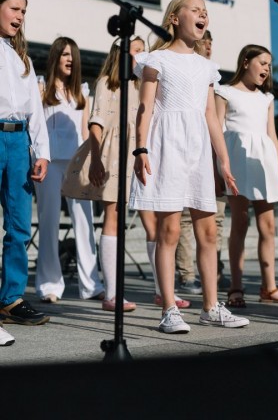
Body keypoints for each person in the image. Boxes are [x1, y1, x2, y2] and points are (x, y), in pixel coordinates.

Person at [129, 0, 249, 333]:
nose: (203, 15)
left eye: (205, 12)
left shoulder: (206, 66)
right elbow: (145, 108)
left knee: (208, 231)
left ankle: (211, 306)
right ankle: (169, 308)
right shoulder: (156, 59)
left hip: (197, 150)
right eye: (195, 10)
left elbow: (211, 115)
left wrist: (224, 161)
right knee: (168, 231)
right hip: (166, 145)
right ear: (174, 18)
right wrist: (141, 149)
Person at [62, 36, 189, 311]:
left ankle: (163, 291)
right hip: (115, 153)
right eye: (135, 51)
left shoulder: (146, 84)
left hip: (143, 154)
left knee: (153, 222)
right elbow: (96, 123)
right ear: (120, 54)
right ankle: (112, 294)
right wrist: (96, 159)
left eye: (143, 51)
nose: (141, 55)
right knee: (114, 216)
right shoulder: (107, 82)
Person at [215, 44, 278, 308]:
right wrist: (217, 171)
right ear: (245, 62)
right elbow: (216, 132)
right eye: (262, 63)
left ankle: (269, 287)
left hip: (262, 163)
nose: (266, 69)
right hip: (237, 162)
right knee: (240, 223)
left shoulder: (266, 98)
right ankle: (235, 287)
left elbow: (271, 136)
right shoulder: (224, 92)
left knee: (268, 226)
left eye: (269, 65)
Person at [34, 37, 104, 303]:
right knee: (49, 221)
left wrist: (93, 163)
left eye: (73, 55)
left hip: (77, 165)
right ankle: (49, 285)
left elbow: (86, 132)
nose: (70, 59)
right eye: (64, 54)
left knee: (85, 223)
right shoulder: (41, 87)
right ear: (55, 57)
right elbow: (35, 126)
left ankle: (91, 285)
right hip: (49, 162)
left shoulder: (82, 92)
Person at [0, 0, 50, 346]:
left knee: (19, 225)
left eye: (24, 11)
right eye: (14, 8)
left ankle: (11, 299)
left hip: (18, 143)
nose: (20, 16)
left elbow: (35, 110)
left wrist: (41, 152)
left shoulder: (23, 61)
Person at [176, 29, 228, 294]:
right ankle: (187, 274)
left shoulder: (213, 77)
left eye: (210, 43)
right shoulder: (186, 72)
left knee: (215, 220)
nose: (208, 47)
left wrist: (221, 163)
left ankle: (214, 272)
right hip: (191, 151)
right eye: (203, 42)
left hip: (213, 154)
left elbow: (216, 122)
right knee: (187, 218)